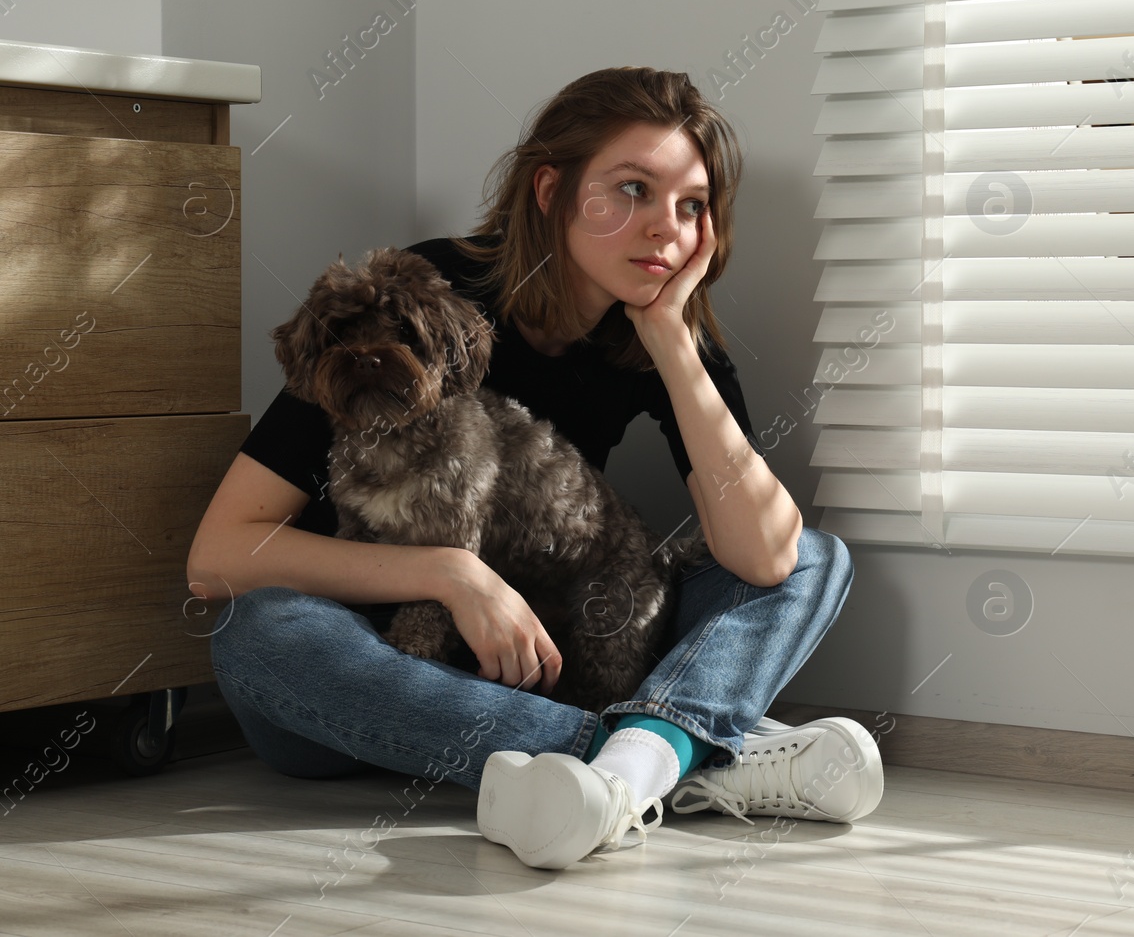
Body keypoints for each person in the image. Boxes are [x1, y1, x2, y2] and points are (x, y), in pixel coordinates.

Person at [186, 66, 883, 870]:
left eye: (692, 207)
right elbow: (218, 555)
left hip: (563, 654)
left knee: (812, 556)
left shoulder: (665, 332)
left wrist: (670, 345)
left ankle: (627, 766)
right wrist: (449, 573)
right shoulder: (415, 301)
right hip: (370, 673)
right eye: (632, 189)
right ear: (552, 191)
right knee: (256, 631)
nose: (667, 228)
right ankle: (662, 757)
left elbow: (762, 558)